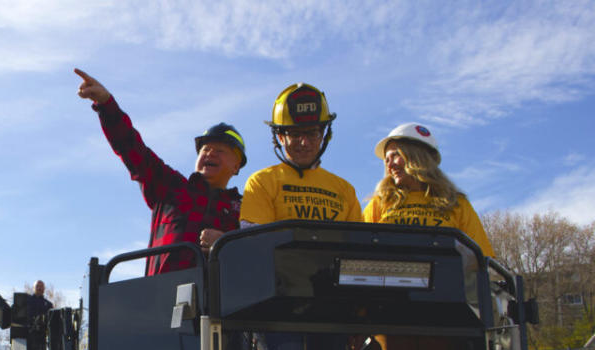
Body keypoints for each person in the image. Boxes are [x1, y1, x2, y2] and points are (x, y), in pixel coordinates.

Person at [74, 68, 245, 275]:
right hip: (161, 300)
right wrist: (106, 104)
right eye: (205, 149)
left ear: (236, 166)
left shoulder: (247, 210)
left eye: (220, 151)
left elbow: (259, 254)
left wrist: (226, 245)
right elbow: (130, 147)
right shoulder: (169, 186)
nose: (210, 154)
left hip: (225, 303)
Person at [363, 122, 494, 257]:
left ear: (418, 157)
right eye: (387, 160)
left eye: (396, 155)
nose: (390, 165)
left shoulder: (457, 204)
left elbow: (479, 261)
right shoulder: (379, 203)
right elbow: (357, 254)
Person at [240, 83, 360, 225]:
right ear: (280, 137)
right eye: (295, 134)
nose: (304, 142)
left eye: (312, 133)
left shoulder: (346, 191)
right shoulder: (262, 182)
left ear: (323, 135)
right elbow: (256, 242)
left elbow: (358, 245)